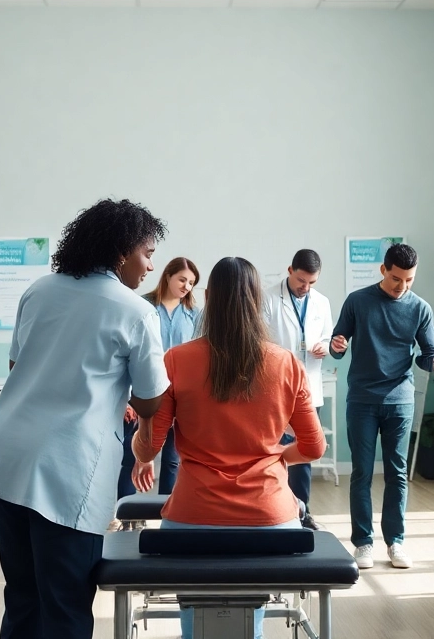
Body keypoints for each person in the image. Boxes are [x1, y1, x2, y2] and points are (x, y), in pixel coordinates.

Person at [0, 199, 170, 639]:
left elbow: (18, 368)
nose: (151, 266)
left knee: (23, 596)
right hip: (66, 465)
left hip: (7, 456)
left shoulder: (39, 290)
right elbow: (152, 399)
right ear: (121, 251)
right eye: (147, 253)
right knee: (65, 603)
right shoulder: (136, 311)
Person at [132, 256, 325, 639]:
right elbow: (314, 447)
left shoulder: (178, 360)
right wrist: (279, 458)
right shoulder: (286, 363)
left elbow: (148, 451)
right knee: (247, 600)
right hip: (270, 519)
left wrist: (144, 414)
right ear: (257, 302)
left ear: (208, 298)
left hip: (193, 516)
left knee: (198, 609)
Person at [329, 243, 434, 570]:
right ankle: (363, 543)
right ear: (383, 270)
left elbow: (426, 356)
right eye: (397, 278)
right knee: (362, 473)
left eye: (409, 280)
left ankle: (395, 542)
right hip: (362, 400)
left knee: (397, 474)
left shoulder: (420, 308)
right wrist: (337, 345)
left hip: (400, 400)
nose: (402, 286)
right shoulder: (357, 301)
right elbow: (338, 346)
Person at [121, 257, 201, 512]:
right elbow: (127, 355)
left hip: (179, 396)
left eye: (191, 283)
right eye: (182, 279)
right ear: (167, 275)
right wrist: (127, 397)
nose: (186, 286)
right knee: (130, 457)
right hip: (142, 393)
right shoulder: (141, 306)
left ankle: (169, 514)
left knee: (173, 460)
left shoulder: (193, 315)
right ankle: (128, 516)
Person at [263, 248, 334, 530]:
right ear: (290, 270)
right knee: (272, 453)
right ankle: (275, 511)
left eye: (312, 283)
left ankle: (302, 513)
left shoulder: (322, 302)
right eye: (301, 281)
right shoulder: (268, 298)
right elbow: (261, 342)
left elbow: (329, 336)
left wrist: (326, 347)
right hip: (274, 389)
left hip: (308, 387)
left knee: (304, 452)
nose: (306, 288)